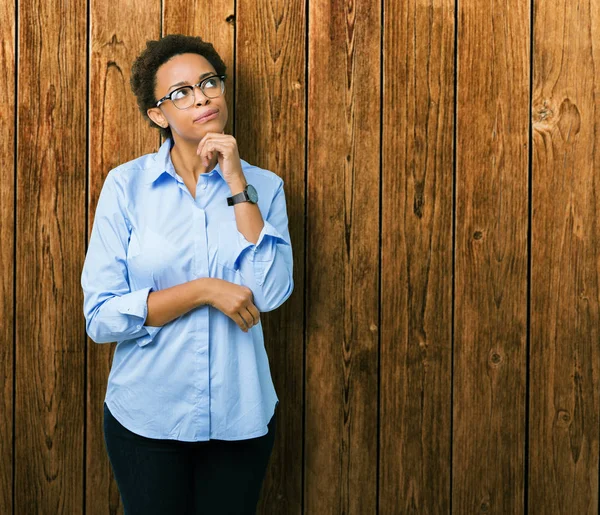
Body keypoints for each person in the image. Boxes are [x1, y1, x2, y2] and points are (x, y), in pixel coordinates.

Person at [81, 33, 294, 514]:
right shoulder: (126, 186)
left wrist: (238, 183)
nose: (201, 97)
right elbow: (101, 317)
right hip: (147, 419)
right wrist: (203, 290)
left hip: (240, 416)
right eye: (180, 92)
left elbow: (272, 292)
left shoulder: (265, 186)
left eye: (209, 82)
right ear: (159, 114)